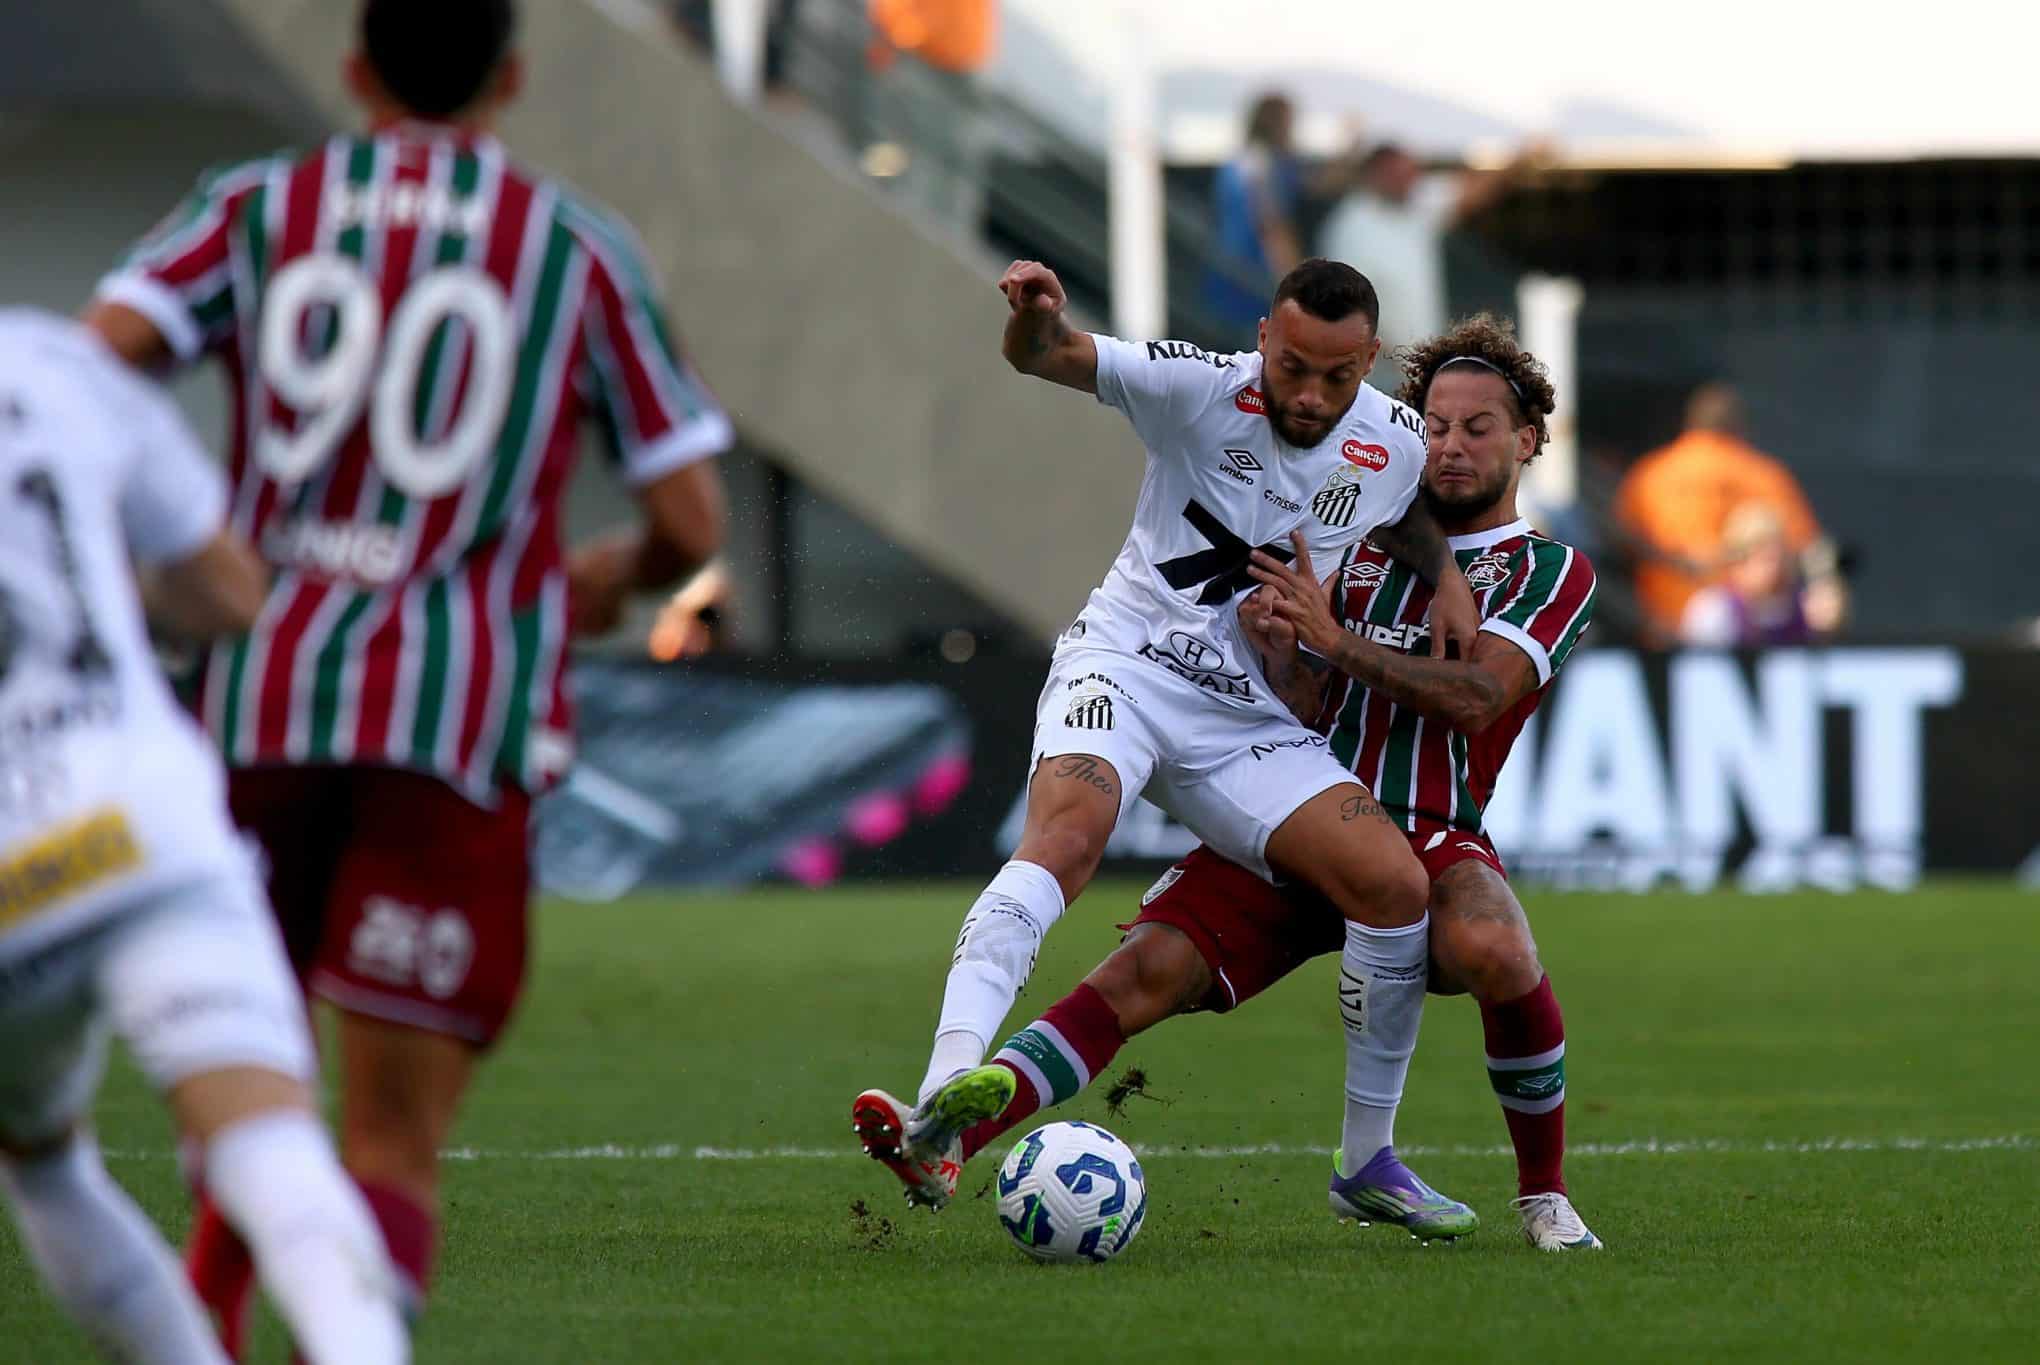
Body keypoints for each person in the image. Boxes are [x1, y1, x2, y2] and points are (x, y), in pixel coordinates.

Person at [81, 0, 731, 1351]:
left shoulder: (260, 206)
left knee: (250, 1100)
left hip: (258, 705)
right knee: (387, 1139)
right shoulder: (574, 248)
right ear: (512, 78)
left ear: (357, 71)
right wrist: (599, 579)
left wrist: (168, 543)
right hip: (457, 719)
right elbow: (692, 526)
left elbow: (99, 363)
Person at [889, 314, 1603, 1252]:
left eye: (1478, 429)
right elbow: (1307, 702)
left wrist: (1333, 639)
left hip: (1427, 825)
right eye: (1435, 425)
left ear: (1529, 440)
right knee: (1142, 974)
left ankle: (1542, 1195)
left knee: (1496, 945)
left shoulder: (1547, 570)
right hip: (1294, 804)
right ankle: (949, 1131)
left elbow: (1475, 700)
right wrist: (1286, 656)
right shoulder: (1357, 544)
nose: (1450, 447)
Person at [0, 309, 411, 1362]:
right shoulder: (55, 363)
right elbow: (228, 592)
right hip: (139, 819)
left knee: (43, 1161)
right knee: (269, 1143)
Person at [1613, 382, 1845, 645]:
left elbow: (1623, 543)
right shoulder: (1761, 474)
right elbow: (1807, 545)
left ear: (1689, 424)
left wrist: (1675, 561)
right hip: (1740, 630)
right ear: (1739, 427)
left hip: (1663, 627)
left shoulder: (1650, 474)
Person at [1315, 141, 1546, 374]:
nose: (1411, 182)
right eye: (1401, 175)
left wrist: (1519, 158)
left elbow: (1470, 193)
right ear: (1376, 173)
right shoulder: (1349, 226)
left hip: (1419, 362)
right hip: (1375, 366)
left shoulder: (1415, 208)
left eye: (1412, 174)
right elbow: (1345, 303)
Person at [1205, 95, 1307, 336]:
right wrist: (1296, 279)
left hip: (1236, 270)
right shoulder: (1255, 164)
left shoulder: (1256, 161)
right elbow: (1270, 223)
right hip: (1245, 274)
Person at [1676, 502, 1843, 647]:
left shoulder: (1808, 608)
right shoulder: (1712, 609)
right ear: (1738, 561)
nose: (1775, 567)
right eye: (1765, 559)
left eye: (1780, 556)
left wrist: (1824, 632)